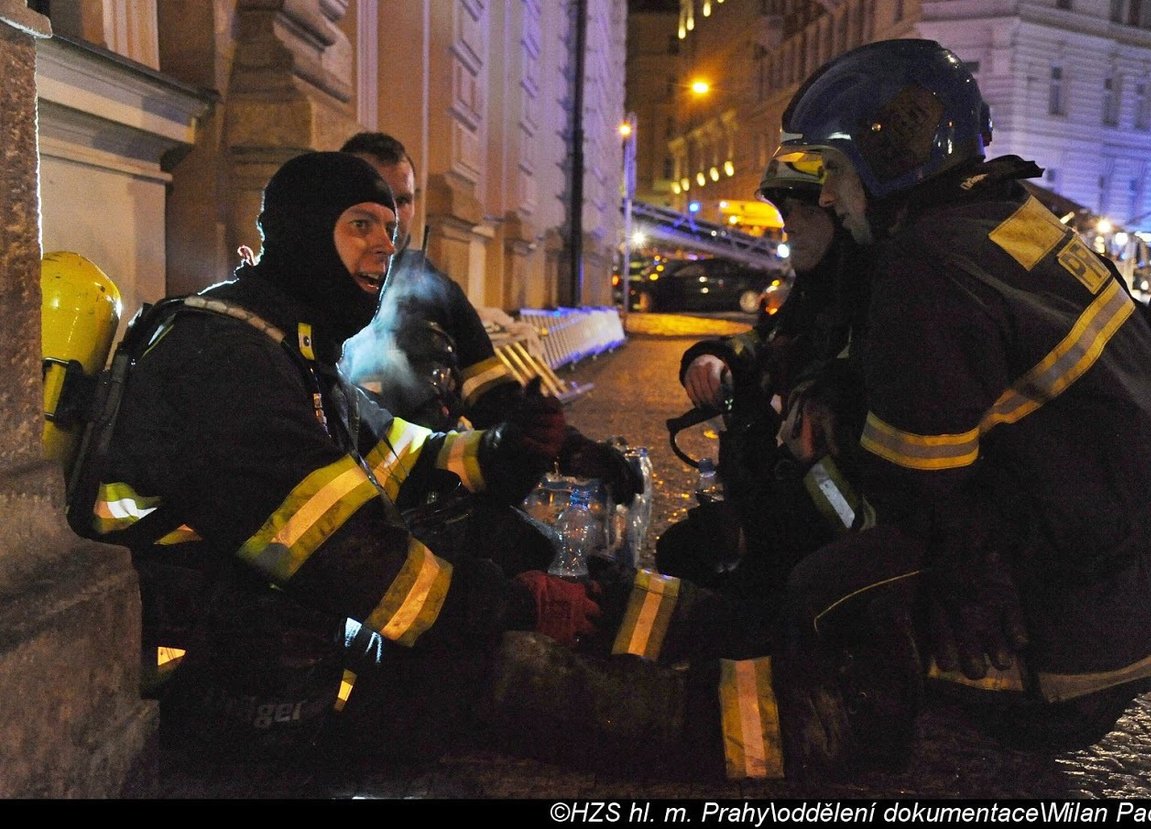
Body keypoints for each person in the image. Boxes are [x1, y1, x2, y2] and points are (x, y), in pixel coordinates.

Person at [79, 150, 606, 759]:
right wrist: (517, 605)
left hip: (259, 624)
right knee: (490, 672)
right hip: (208, 671)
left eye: (391, 229)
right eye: (361, 225)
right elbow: (352, 559)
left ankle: (696, 629)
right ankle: (694, 716)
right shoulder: (226, 360)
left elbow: (406, 458)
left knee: (501, 539)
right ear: (305, 233)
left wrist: (510, 449)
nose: (385, 246)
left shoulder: (289, 343)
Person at [763, 37, 1151, 770]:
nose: (826, 198)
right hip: (1148, 602)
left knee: (820, 583)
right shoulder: (1012, 218)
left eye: (833, 173)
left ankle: (854, 718)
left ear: (890, 155)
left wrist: (817, 455)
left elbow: (911, 486)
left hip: (1076, 652)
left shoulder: (922, 264)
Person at [336, 132, 641, 574]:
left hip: (437, 498)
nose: (393, 219)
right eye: (375, 202)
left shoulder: (436, 291)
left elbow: (493, 396)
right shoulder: (316, 293)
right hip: (351, 519)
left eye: (403, 200)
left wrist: (565, 444)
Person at [655, 151, 874, 645]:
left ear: (839, 218)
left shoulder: (867, 309)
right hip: (782, 518)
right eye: (784, 213)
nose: (788, 225)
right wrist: (712, 359)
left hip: (827, 555)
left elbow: (849, 499)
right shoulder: (816, 295)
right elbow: (764, 344)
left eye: (803, 211)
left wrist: (754, 529)